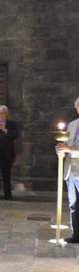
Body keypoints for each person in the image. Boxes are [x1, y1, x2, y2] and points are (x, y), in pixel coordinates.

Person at [56, 97, 79, 243]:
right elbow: (67, 144)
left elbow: (71, 148)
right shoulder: (72, 124)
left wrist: (69, 149)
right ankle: (76, 234)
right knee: (74, 204)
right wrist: (61, 149)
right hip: (70, 170)